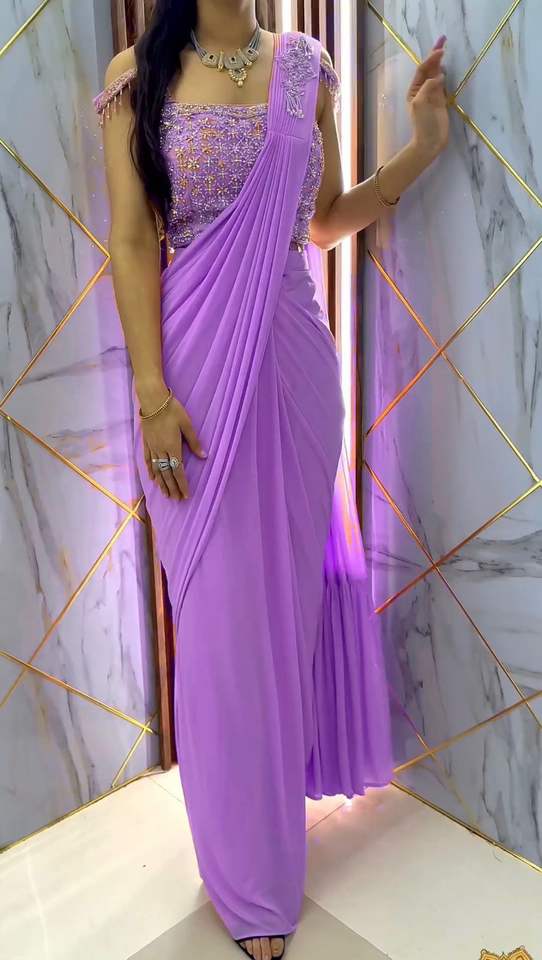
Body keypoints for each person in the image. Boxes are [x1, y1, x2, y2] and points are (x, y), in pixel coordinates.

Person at [93, 2, 448, 957]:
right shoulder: (137, 74)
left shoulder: (305, 67)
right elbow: (133, 240)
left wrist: (419, 150)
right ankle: (248, 876)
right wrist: (152, 394)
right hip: (193, 383)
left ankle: (270, 833)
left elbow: (322, 222)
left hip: (294, 371)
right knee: (219, 634)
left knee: (284, 619)